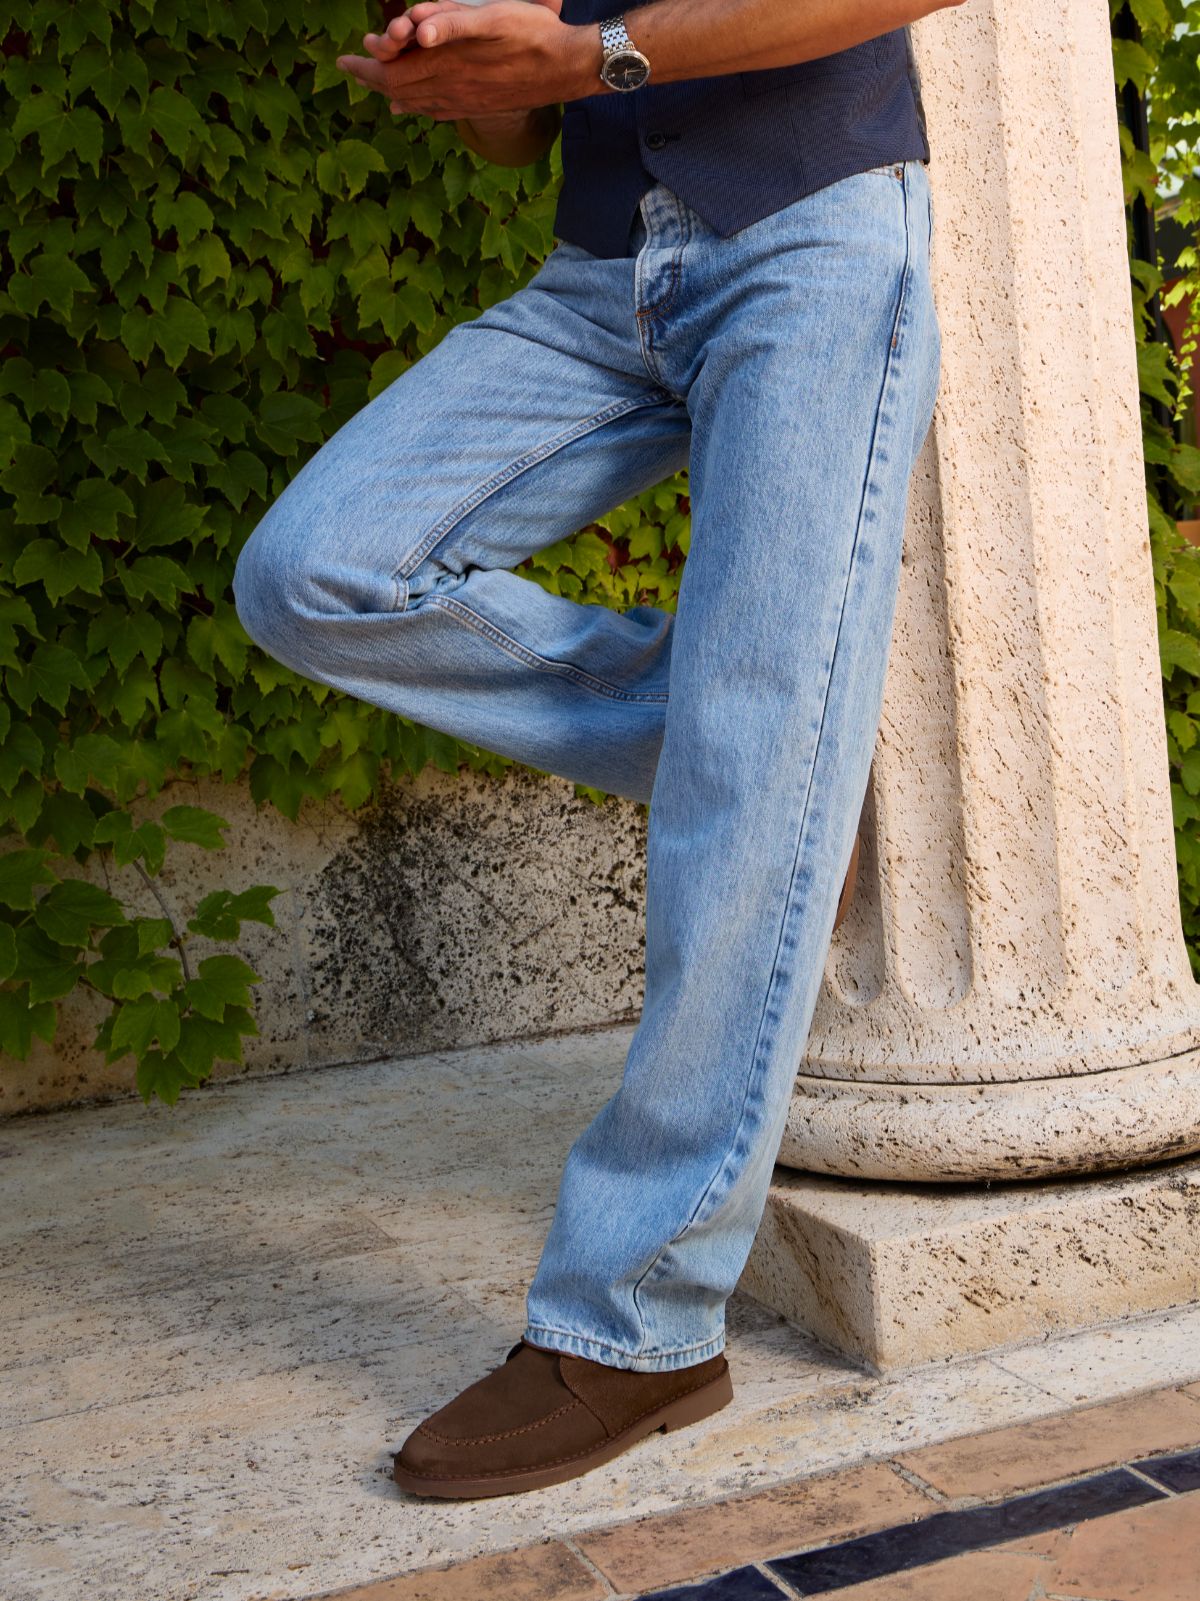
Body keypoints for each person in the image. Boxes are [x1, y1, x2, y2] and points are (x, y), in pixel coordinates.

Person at [233, 0, 958, 1500]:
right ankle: (781, 753)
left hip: (814, 237)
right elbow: (525, 127)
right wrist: (471, 77)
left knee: (757, 768)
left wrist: (590, 57)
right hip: (601, 272)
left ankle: (636, 1324)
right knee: (315, 571)